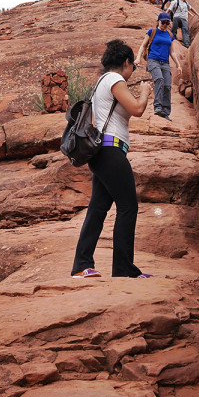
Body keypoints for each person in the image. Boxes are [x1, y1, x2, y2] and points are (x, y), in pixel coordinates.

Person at [71, 40, 153, 279]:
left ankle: (81, 265)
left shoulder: (101, 82)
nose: (132, 72)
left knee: (98, 209)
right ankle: (124, 268)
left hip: (102, 153)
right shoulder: (115, 80)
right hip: (110, 150)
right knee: (128, 207)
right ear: (126, 62)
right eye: (133, 67)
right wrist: (146, 93)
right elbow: (137, 109)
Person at [135, 11, 181, 120]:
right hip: (153, 60)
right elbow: (143, 45)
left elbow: (172, 52)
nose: (165, 25)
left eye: (167, 23)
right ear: (158, 22)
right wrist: (138, 58)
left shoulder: (169, 35)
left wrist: (178, 65)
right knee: (159, 79)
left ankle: (165, 112)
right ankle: (157, 106)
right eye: (163, 22)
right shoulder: (152, 31)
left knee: (167, 86)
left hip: (165, 62)